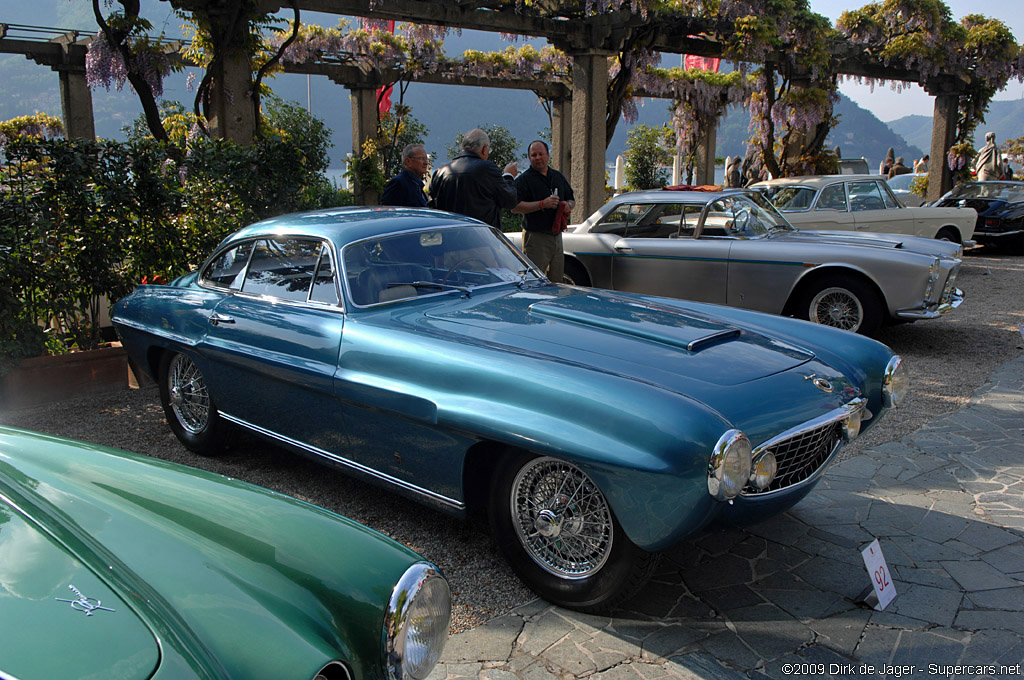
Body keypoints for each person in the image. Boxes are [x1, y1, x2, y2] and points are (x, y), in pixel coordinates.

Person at [427, 128, 520, 228]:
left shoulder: (440, 172)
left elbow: (432, 209)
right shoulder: (486, 169)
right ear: (484, 149)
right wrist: (508, 176)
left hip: (450, 235)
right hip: (480, 236)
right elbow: (510, 201)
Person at [511, 140, 575, 282]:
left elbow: (572, 200)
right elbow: (515, 207)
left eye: (541, 154)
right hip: (535, 237)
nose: (538, 157)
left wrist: (567, 206)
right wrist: (541, 204)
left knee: (557, 279)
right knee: (534, 281)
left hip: (557, 237)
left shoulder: (557, 176)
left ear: (547, 155)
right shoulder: (524, 180)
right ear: (529, 158)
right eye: (534, 155)